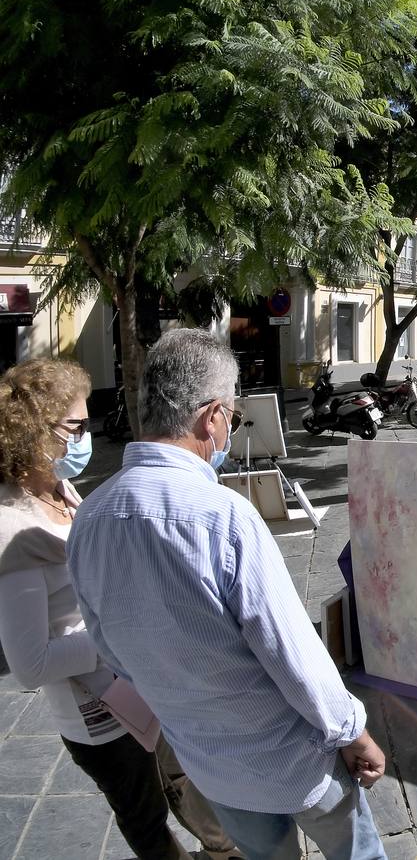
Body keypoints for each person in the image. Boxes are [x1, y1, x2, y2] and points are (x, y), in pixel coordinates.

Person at [66, 331, 386, 860]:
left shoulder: (90, 518)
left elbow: (112, 652)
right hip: (292, 761)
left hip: (212, 767)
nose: (229, 432)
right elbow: (294, 654)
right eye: (232, 419)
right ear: (211, 416)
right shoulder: (223, 515)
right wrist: (352, 732)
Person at [0, 358, 241, 860]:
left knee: (188, 781)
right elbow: (30, 664)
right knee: (145, 815)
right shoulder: (11, 529)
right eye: (76, 426)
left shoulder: (56, 487)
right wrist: (118, 632)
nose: (85, 438)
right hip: (97, 714)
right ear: (34, 428)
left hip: (138, 676)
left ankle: (226, 853)